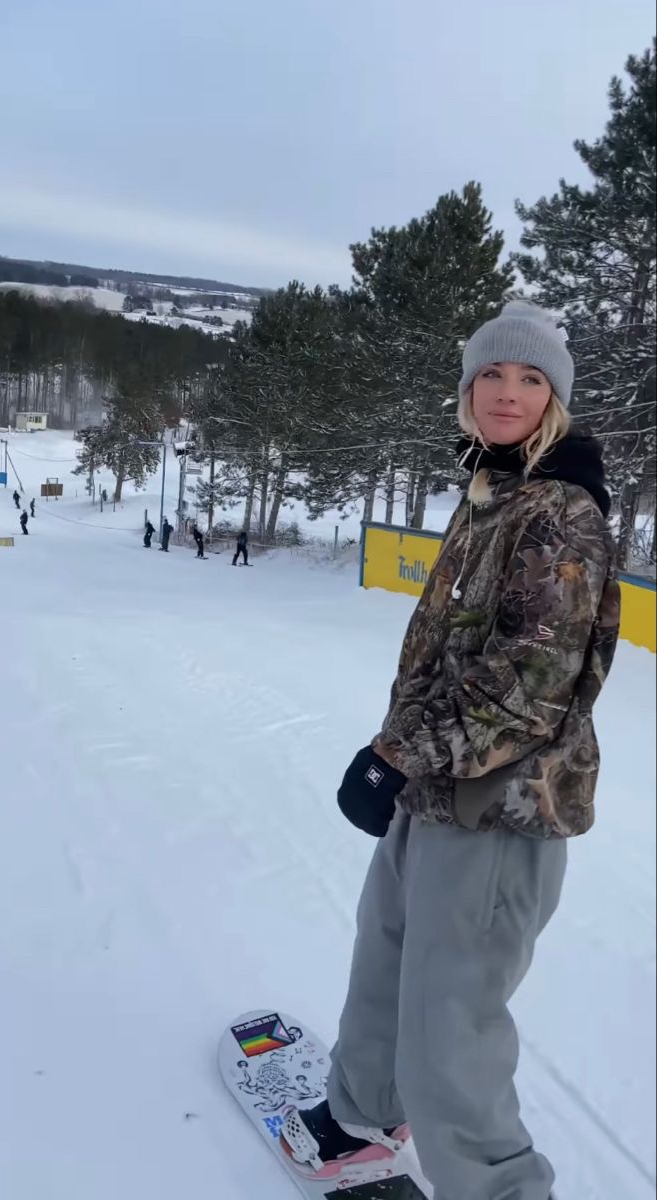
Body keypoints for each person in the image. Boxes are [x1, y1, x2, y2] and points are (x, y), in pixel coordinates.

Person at [280, 302, 620, 1200]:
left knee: (450, 1023)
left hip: (502, 808)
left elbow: (526, 686)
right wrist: (401, 755)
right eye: (492, 376)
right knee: (386, 955)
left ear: (554, 399)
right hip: (438, 785)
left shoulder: (560, 512)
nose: (507, 392)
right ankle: (361, 1117)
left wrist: (396, 753)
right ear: (469, 391)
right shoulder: (494, 489)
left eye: (530, 379)